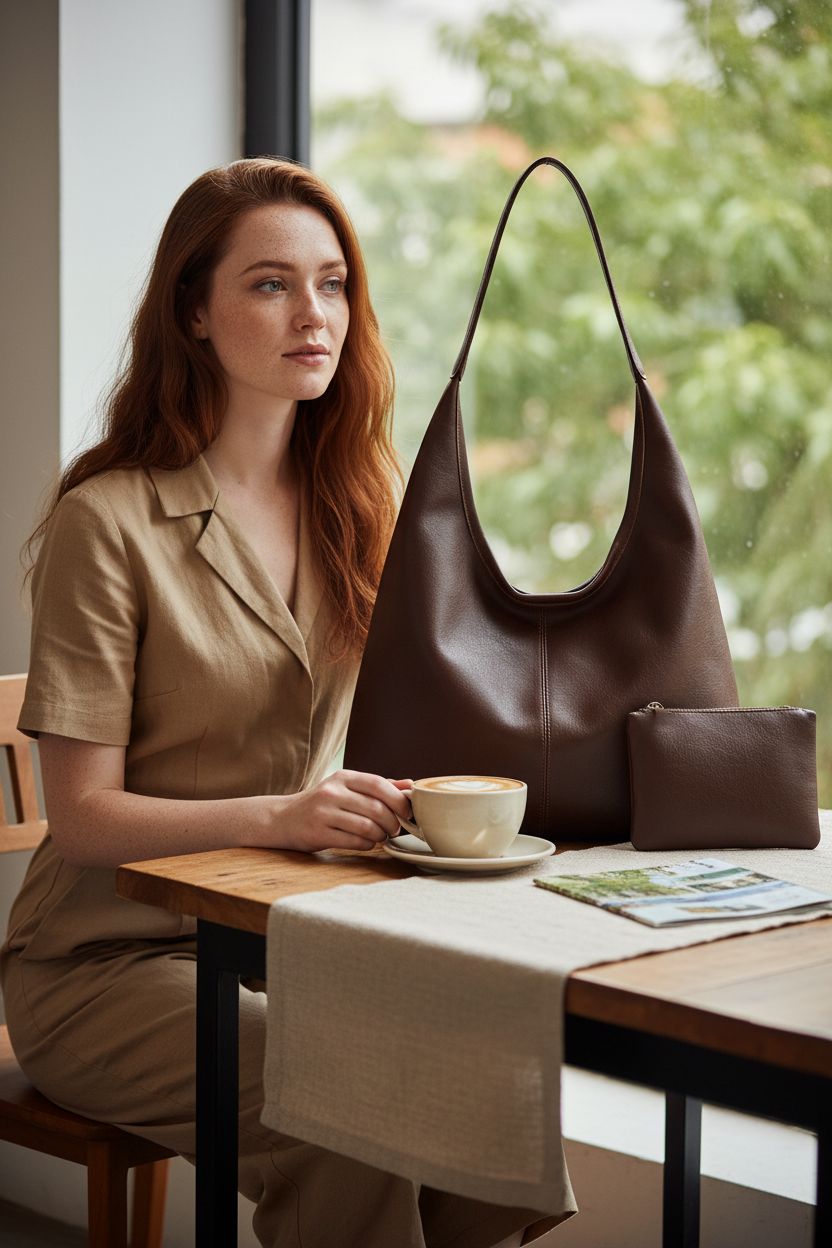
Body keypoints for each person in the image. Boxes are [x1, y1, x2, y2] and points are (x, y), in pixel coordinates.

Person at [0, 158, 567, 1247]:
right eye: (269, 284)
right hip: (105, 968)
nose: (315, 314)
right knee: (347, 1115)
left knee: (500, 1108)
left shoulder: (362, 504)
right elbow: (81, 820)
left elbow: (437, 707)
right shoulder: (107, 520)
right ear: (195, 314)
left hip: (283, 939)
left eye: (333, 283)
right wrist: (282, 814)